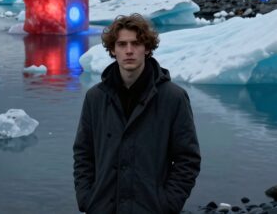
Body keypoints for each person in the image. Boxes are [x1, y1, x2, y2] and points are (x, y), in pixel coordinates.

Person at [73, 14, 201, 213]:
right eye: (122, 44)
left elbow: (188, 159)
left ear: (147, 48)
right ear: (113, 50)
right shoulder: (95, 98)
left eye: (136, 43)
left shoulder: (173, 98)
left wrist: (168, 204)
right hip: (102, 207)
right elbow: (83, 153)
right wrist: (87, 198)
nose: (129, 51)